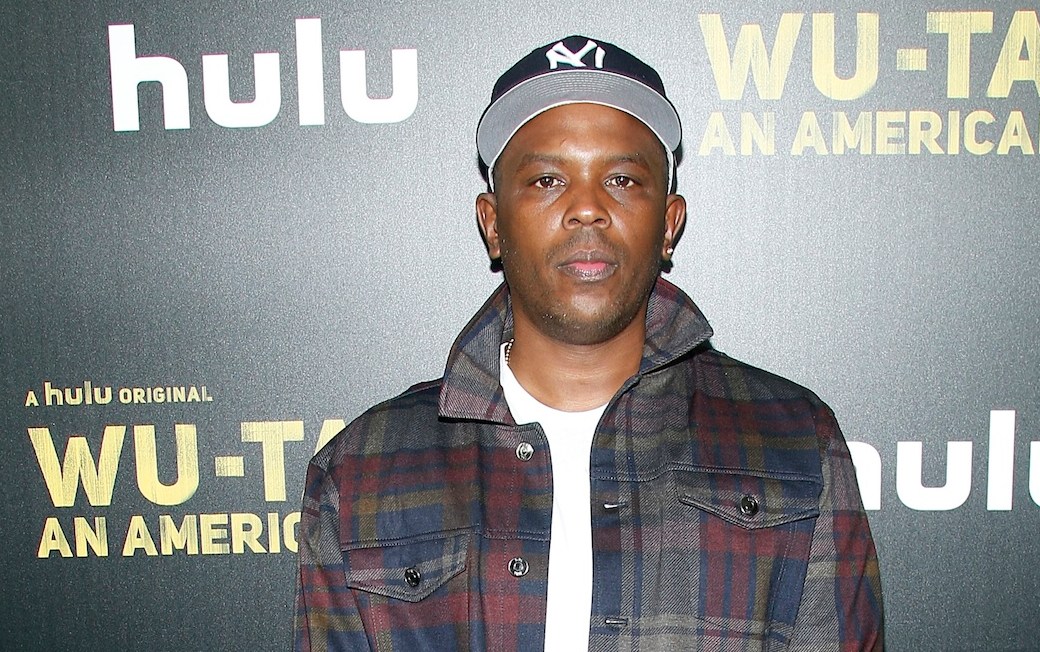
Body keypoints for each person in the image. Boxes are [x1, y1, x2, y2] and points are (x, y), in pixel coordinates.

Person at [294, 35, 883, 651]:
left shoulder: (795, 443)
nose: (587, 209)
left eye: (622, 180)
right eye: (548, 180)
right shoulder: (360, 473)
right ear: (493, 224)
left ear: (669, 223)